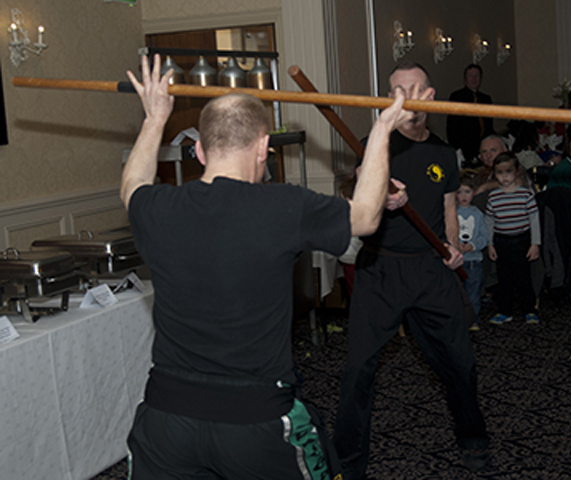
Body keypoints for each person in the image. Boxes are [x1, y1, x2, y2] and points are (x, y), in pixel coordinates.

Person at [121, 54, 413, 480]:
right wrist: (383, 130)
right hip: (253, 419)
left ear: (199, 150)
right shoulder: (284, 205)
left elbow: (132, 186)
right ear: (264, 147)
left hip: (166, 418)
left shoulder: (157, 207)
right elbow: (367, 216)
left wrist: (154, 119)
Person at [333, 61, 489, 480]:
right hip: (380, 270)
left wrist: (452, 247)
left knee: (459, 362)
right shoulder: (376, 142)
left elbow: (448, 205)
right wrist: (380, 197)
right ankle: (347, 463)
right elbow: (361, 195)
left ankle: (473, 438)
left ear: (429, 96)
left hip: (429, 269)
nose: (402, 99)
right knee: (359, 370)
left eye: (411, 90)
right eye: (394, 91)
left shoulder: (442, 152)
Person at [485, 152, 541, 325]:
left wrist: (535, 243)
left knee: (523, 278)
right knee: (504, 279)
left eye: (508, 171)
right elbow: (489, 221)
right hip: (502, 241)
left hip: (521, 240)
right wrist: (490, 244)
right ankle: (504, 311)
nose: (504, 176)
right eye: (500, 173)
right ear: (495, 174)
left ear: (516, 172)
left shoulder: (526, 194)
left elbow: (534, 219)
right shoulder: (493, 197)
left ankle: (529, 310)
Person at [456, 170, 489, 331]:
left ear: (473, 193)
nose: (463, 196)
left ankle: (472, 319)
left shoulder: (477, 214)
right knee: (456, 292)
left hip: (474, 260)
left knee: (473, 292)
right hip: (457, 260)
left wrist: (472, 245)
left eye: (467, 192)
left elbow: (484, 236)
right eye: (459, 192)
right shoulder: (452, 212)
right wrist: (456, 245)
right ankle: (457, 319)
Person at [447, 64, 494, 167]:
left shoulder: (485, 99)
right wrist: (458, 148)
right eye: (470, 76)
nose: (474, 79)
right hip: (465, 146)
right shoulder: (457, 97)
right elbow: (452, 126)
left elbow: (489, 125)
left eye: (476, 76)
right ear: (465, 79)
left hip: (484, 146)